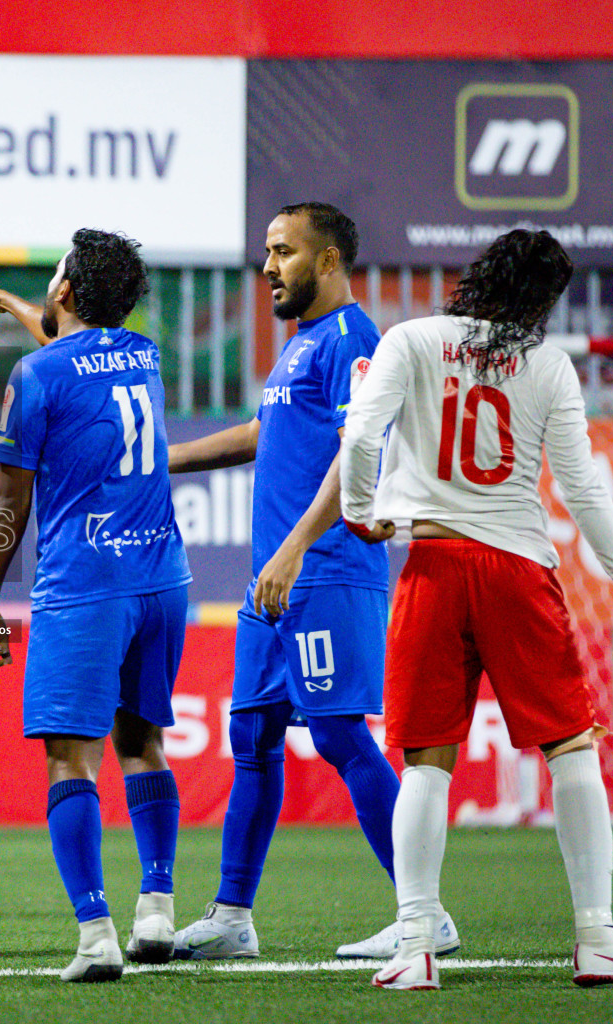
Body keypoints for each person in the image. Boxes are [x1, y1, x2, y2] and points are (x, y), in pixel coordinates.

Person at [340, 229, 613, 990]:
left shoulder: (411, 338)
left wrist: (361, 510)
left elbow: (359, 434)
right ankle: (597, 937)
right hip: (517, 567)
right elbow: (583, 492)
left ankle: (414, 944)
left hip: (433, 567)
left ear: (475, 275)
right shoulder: (548, 363)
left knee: (425, 759)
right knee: (571, 746)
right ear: (545, 299)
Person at [165, 203, 457, 961]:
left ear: (329, 261)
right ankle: (232, 916)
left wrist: (295, 547)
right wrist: (165, 461)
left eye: (283, 251)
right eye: (266, 250)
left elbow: (359, 452)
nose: (268, 266)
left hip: (325, 568)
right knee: (253, 736)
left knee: (335, 733)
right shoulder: (299, 345)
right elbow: (268, 436)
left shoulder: (357, 340)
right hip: (277, 578)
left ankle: (423, 913)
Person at [0, 229, 191, 982]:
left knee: (70, 758)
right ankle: (156, 912)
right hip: (162, 582)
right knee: (142, 743)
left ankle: (95, 933)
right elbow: (80, 351)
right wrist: (16, 305)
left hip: (86, 586)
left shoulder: (35, 376)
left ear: (65, 291)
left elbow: (11, 497)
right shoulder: (144, 357)